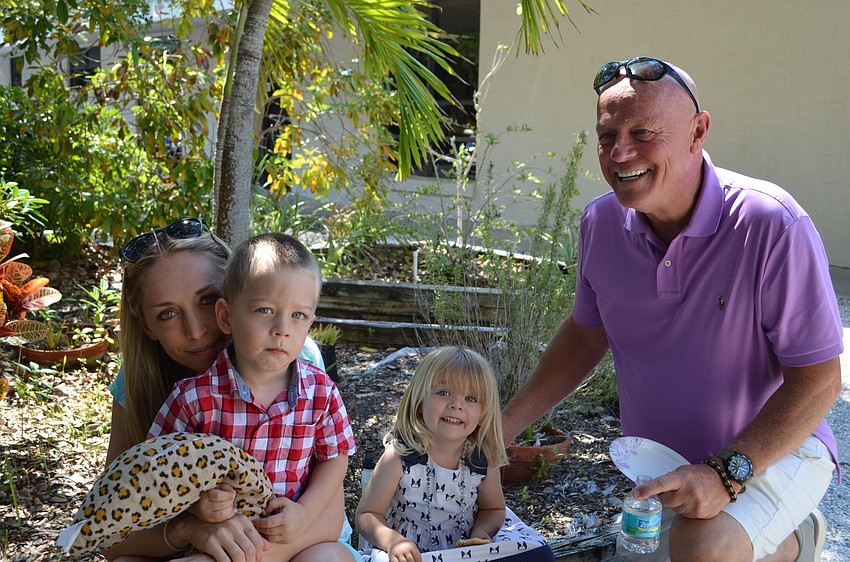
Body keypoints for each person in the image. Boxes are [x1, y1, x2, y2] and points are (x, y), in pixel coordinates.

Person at [501, 57, 843, 562]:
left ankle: (795, 542)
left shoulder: (771, 223)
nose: (620, 152)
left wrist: (725, 474)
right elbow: (585, 333)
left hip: (773, 451)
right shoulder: (600, 223)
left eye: (642, 131)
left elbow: (819, 380)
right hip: (662, 461)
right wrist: (502, 427)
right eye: (606, 135)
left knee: (701, 544)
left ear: (697, 132)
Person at [102, 219, 347, 562]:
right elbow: (115, 527)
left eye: (207, 299)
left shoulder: (295, 361)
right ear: (146, 326)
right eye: (168, 314)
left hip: (294, 544)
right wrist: (191, 528)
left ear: (230, 299)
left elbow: (329, 518)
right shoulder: (160, 388)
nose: (197, 331)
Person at [356, 346, 555, 562]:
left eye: (471, 398)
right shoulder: (400, 456)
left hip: (464, 552)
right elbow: (366, 515)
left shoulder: (480, 458)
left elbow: (494, 508)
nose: (456, 405)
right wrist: (393, 541)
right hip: (409, 555)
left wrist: (481, 532)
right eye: (443, 393)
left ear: (483, 414)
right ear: (419, 403)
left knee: (539, 555)